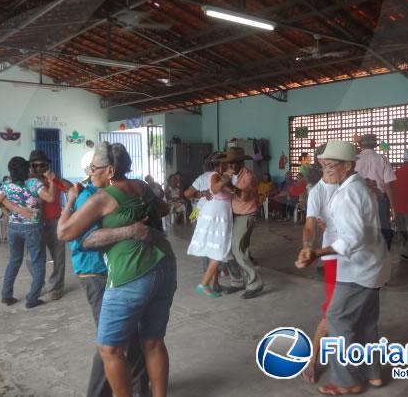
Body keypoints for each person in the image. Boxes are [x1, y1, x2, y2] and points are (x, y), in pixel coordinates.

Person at [57, 142, 176, 397]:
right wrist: (134, 222)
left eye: (94, 168)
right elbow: (163, 209)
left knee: (110, 350)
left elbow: (64, 232)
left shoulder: (102, 198)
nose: (90, 174)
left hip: (131, 274)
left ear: (110, 170)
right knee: (153, 342)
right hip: (165, 265)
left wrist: (70, 201)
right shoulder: (142, 187)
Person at [296, 140, 390, 395]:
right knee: (367, 321)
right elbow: (312, 225)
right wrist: (311, 244)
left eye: (330, 165)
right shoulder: (358, 186)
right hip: (372, 264)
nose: (325, 169)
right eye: (323, 165)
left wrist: (317, 252)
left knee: (337, 318)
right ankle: (373, 374)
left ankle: (347, 381)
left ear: (347, 166)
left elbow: (351, 240)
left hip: (356, 266)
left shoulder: (348, 193)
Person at [68, 151, 150, 397]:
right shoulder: (88, 198)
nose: (92, 174)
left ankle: (139, 387)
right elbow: (83, 240)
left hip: (118, 272)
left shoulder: (117, 193)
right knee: (111, 340)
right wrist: (129, 230)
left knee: (132, 334)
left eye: (96, 169)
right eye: (91, 170)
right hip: (96, 272)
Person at [0, 156, 56, 308]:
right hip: (33, 227)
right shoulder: (34, 183)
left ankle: (6, 296)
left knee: (14, 261)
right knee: (38, 262)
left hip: (14, 227)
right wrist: (51, 181)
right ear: (27, 169)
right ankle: (32, 299)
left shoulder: (6, 186)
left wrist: (13, 208)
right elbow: (50, 198)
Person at [299, 151, 339, 384]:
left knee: (359, 307)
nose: (332, 167)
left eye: (337, 163)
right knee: (332, 310)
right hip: (333, 255)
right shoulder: (318, 191)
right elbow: (309, 224)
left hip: (359, 254)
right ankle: (312, 359)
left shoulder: (352, 185)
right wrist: (307, 245)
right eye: (328, 163)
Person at [187, 156, 235, 298]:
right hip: (216, 217)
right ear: (218, 166)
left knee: (215, 249)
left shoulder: (219, 176)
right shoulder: (215, 176)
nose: (228, 166)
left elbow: (230, 191)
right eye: (225, 164)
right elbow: (214, 189)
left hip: (220, 215)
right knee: (219, 250)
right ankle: (204, 284)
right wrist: (226, 177)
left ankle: (214, 283)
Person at [28, 150, 72, 300]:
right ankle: (38, 284)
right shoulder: (27, 182)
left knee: (58, 256)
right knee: (32, 257)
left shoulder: (53, 179)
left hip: (54, 222)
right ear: (31, 166)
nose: (40, 168)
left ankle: (56, 286)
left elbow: (70, 188)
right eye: (36, 165)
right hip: (34, 224)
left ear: (47, 165)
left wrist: (55, 178)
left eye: (43, 164)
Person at [220, 147, 262, 299]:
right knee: (231, 251)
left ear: (241, 162)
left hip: (246, 215)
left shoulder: (248, 176)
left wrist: (229, 184)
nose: (230, 166)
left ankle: (254, 283)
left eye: (233, 163)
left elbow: (243, 197)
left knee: (238, 250)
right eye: (229, 163)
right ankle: (237, 281)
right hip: (234, 215)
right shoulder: (231, 175)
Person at [355, 133, 396, 250]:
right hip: (380, 199)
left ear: (361, 145)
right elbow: (388, 185)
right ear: (375, 145)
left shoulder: (355, 159)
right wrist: (393, 207)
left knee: (361, 227)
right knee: (383, 227)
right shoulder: (382, 159)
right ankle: (384, 254)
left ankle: (364, 254)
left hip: (359, 198)